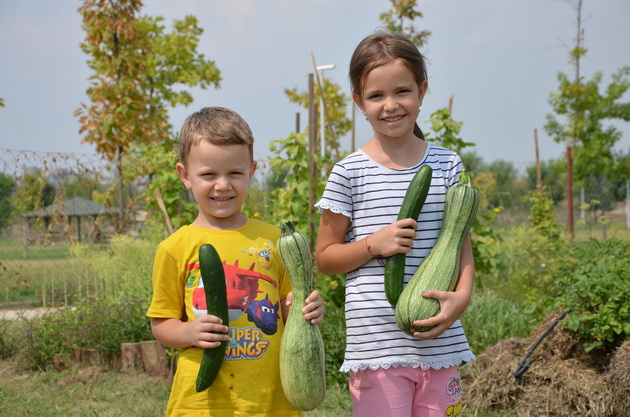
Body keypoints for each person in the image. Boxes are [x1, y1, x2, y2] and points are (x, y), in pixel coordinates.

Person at [315, 31, 475, 417]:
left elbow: (461, 248)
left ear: (422, 91)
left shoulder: (448, 165)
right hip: (377, 349)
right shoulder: (348, 172)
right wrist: (374, 244)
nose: (390, 106)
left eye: (402, 92)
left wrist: (462, 299)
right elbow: (325, 257)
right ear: (359, 102)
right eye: (376, 96)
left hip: (440, 341)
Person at [147, 106, 324, 417]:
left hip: (269, 397)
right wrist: (189, 333)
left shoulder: (273, 241)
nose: (223, 185)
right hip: (203, 401)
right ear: (185, 175)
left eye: (235, 173)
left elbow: (285, 307)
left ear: (252, 172)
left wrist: (304, 308)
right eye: (208, 174)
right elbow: (161, 323)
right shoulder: (175, 248)